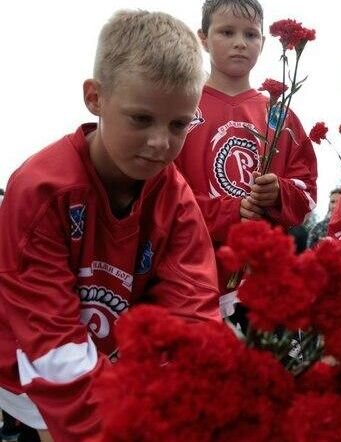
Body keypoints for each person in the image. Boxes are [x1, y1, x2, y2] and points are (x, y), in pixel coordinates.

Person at [0, 10, 221, 440]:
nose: (160, 142)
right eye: (141, 119)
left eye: (179, 124)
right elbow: (53, 351)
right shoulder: (41, 190)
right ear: (95, 98)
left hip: (110, 371)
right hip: (25, 373)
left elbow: (193, 324)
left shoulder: (177, 203)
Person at [174, 0, 317, 315]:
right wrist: (229, 212)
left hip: (262, 286)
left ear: (264, 43)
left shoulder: (281, 116)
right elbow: (162, 197)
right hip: (194, 279)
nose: (240, 42)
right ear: (203, 38)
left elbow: (308, 192)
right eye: (227, 32)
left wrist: (278, 192)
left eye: (251, 35)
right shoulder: (178, 110)